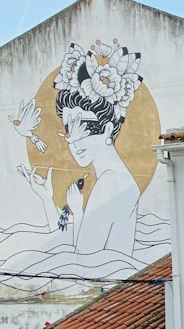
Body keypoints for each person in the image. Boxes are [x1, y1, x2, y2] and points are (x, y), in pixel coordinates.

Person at [16, 41, 144, 257]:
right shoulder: (121, 179)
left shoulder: (111, 183)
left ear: (108, 128)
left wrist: (78, 215)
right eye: (68, 129)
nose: (74, 142)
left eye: (85, 127)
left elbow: (83, 258)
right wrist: (53, 202)